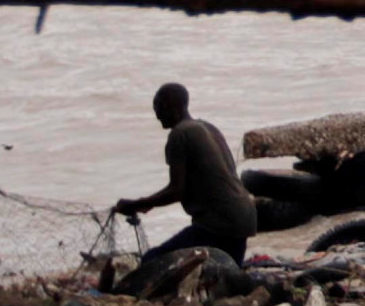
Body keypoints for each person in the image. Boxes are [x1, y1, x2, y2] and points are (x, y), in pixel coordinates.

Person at [112, 83, 264, 292]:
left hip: (218, 223)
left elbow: (177, 190)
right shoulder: (207, 127)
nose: (156, 115)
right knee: (228, 279)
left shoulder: (179, 135)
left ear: (169, 106)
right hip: (245, 217)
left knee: (152, 261)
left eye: (157, 107)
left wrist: (137, 204)